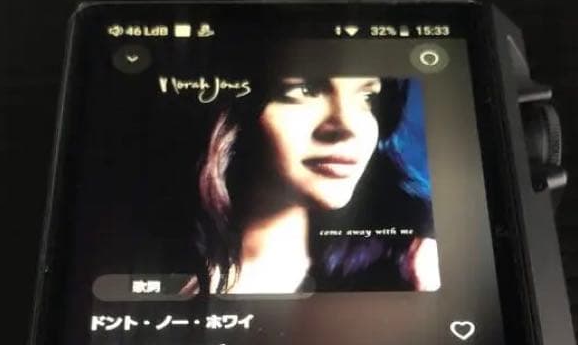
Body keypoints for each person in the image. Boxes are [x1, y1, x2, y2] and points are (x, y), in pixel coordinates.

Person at [184, 74, 439, 295]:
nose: (348, 127)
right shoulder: (174, 274)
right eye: (304, 90)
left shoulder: (415, 263)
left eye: (368, 97)